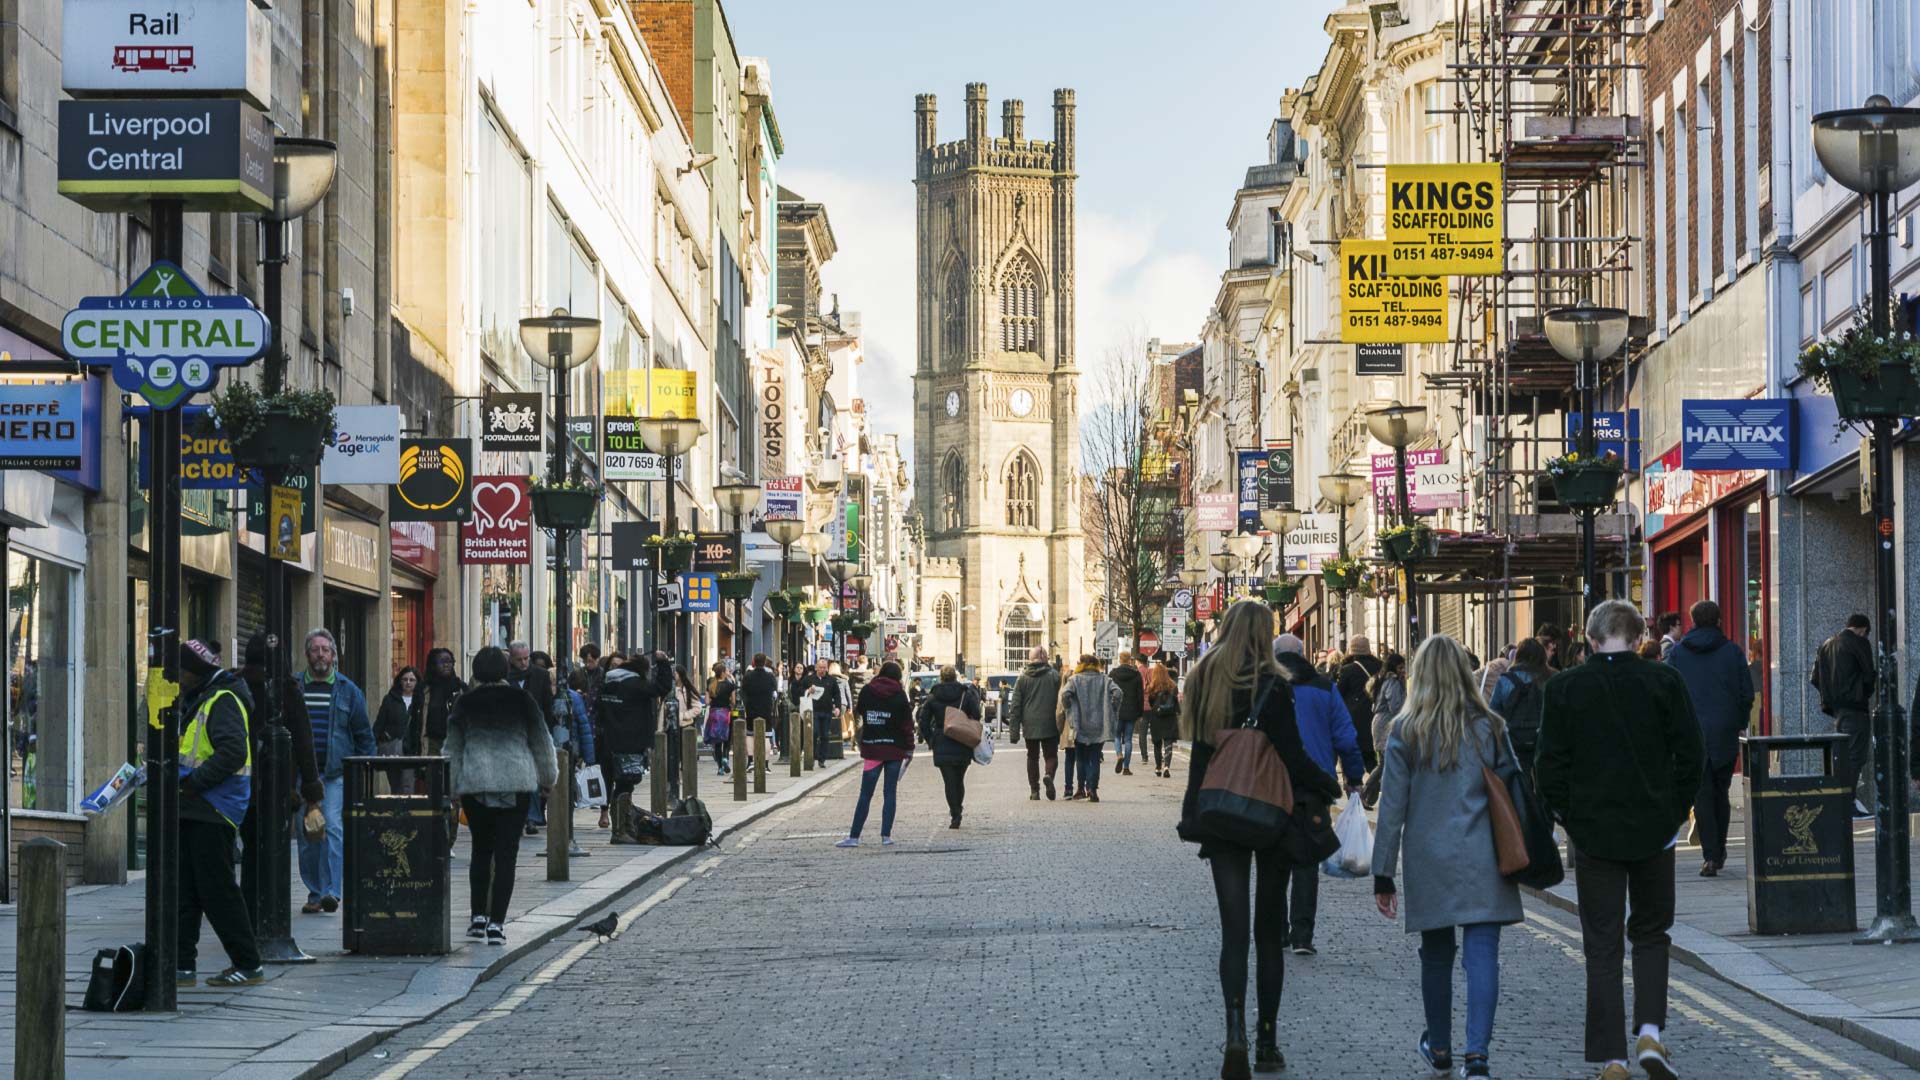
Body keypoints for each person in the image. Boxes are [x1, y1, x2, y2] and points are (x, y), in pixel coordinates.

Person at [1535, 600, 1702, 1080]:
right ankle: (1650, 1031)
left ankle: (1612, 1059)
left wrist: (1570, 817)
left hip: (1595, 836)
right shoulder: (1664, 681)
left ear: (1589, 640)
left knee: (1602, 946)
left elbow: (1548, 767)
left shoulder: (1565, 687)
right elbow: (1691, 754)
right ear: (1637, 637)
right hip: (1654, 831)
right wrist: (1672, 813)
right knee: (1651, 934)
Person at [1177, 601, 1340, 1077]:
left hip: (1222, 814)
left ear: (1226, 630)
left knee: (1234, 933)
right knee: (1269, 934)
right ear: (1266, 635)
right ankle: (1267, 1041)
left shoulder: (1206, 680)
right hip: (1270, 815)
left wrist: (1193, 813)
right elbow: (1291, 757)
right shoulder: (1274, 686)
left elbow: (1200, 757)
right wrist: (1330, 785)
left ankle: (1234, 1034)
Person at [1371, 633, 1523, 1080]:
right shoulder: (1490, 726)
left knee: (1436, 955)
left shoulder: (1405, 730)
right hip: (1486, 855)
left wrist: (1383, 873)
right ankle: (1477, 1056)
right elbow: (1513, 788)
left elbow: (1392, 809)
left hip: (1429, 858)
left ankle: (1439, 1047)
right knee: (1482, 957)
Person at [443, 645, 558, 945]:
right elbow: (541, 740)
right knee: (507, 854)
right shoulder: (522, 700)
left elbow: (452, 747)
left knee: (480, 851)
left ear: (476, 671)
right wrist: (548, 778)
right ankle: (497, 924)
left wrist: (451, 786)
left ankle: (477, 918)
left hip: (476, 783)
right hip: (515, 782)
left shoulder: (465, 703)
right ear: (505, 670)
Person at [175, 639, 266, 987]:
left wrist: (193, 783)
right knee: (186, 891)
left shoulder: (223, 699)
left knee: (218, 891)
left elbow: (231, 753)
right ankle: (182, 966)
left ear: (192, 671)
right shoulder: (202, 696)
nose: (176, 678)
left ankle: (248, 963)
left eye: (180, 672)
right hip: (195, 807)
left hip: (215, 808)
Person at [1273, 633, 1365, 957]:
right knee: (1306, 857)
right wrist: (1354, 776)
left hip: (1269, 785)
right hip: (1313, 786)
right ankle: (1301, 935)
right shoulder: (1324, 688)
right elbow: (1345, 735)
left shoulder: (1262, 686)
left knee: (1273, 858)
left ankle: (1275, 932)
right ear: (1303, 654)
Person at [235, 632, 323, 924]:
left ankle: (249, 907)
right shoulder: (287, 690)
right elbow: (304, 740)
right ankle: (271, 910)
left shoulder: (237, 685)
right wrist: (312, 789)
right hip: (277, 786)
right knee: (274, 848)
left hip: (241, 784)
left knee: (250, 850)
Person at [1666, 600, 1754, 877]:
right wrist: (1739, 722)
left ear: (1692, 622)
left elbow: (1669, 693)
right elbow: (1746, 693)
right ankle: (1719, 849)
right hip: (1724, 731)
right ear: (1718, 621)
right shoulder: (1733, 652)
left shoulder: (1678, 654)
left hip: (1691, 733)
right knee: (1720, 792)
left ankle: (1710, 855)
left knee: (1701, 794)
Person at [295, 628, 375, 915]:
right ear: (307, 654)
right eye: (315, 649)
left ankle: (331, 892)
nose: (320, 655)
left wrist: (365, 772)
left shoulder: (347, 690)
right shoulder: (294, 688)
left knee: (331, 829)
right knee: (306, 835)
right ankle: (315, 892)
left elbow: (364, 735)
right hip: (301, 776)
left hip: (333, 775)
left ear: (333, 655)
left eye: (325, 650)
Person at [835, 660, 915, 847]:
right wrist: (909, 748)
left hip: (873, 747)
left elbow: (860, 710)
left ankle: (854, 837)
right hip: (895, 748)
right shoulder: (900, 694)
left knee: (865, 794)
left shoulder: (868, 690)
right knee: (890, 793)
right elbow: (906, 724)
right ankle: (886, 836)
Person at [594, 651, 674, 829]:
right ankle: (621, 827)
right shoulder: (635, 684)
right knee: (626, 784)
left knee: (613, 780)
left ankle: (619, 823)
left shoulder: (608, 683)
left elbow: (598, 709)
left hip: (608, 740)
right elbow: (662, 687)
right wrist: (663, 663)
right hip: (629, 742)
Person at [1812, 613, 1876, 817]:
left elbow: (1815, 678)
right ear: (1863, 629)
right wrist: (1863, 692)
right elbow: (1868, 675)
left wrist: (1831, 697)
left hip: (1837, 711)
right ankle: (1847, 803)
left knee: (1842, 756)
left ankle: (1841, 801)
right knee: (1856, 756)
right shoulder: (1860, 643)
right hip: (1855, 709)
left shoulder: (1826, 645)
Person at [918, 665, 981, 828]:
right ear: (955, 677)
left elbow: (923, 721)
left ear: (941, 677)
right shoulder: (965, 694)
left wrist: (931, 739)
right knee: (959, 779)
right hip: (963, 741)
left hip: (942, 740)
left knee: (949, 781)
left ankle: (955, 812)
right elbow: (977, 714)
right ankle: (958, 808)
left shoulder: (933, 696)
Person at [1060, 654, 1120, 803]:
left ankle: (1081, 788)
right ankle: (1093, 789)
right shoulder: (1105, 679)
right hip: (1099, 724)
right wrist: (1112, 707)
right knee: (1095, 757)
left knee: (1081, 757)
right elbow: (1118, 693)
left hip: (1079, 723)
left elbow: (1065, 695)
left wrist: (1069, 708)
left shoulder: (1075, 680)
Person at [1488, 639, 1551, 776]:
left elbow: (1493, 714)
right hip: (1541, 742)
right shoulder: (1548, 681)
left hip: (1512, 742)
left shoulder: (1505, 680)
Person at [405, 647, 466, 790]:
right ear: (433, 664)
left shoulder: (461, 688)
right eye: (442, 661)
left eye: (450, 661)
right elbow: (415, 721)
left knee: (453, 785)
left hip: (454, 742)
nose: (447, 665)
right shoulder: (423, 689)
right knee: (433, 784)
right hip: (430, 743)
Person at [1009, 645, 1064, 800]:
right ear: (1044, 658)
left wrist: (1014, 733)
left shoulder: (1022, 678)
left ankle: (1034, 790)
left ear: (1030, 659)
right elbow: (1062, 699)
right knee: (1051, 756)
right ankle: (1048, 775)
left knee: (1032, 757)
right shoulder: (1054, 676)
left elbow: (1015, 706)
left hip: (1030, 724)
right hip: (1050, 722)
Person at [1361, 652, 1407, 806]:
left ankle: (1368, 799)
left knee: (1385, 763)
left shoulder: (1385, 680)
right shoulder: (1392, 682)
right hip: (1386, 724)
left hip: (1382, 723)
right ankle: (1365, 795)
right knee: (1385, 763)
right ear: (1394, 667)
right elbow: (1396, 706)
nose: (1402, 670)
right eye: (1400, 667)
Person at [1335, 636, 1384, 771]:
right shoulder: (1380, 666)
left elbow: (1339, 693)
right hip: (1376, 713)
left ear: (1351, 650)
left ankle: (1358, 786)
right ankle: (1374, 783)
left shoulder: (1348, 669)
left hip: (1354, 717)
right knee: (1371, 754)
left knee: (1356, 754)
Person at [375, 667, 417, 790]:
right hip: (393, 748)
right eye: (405, 679)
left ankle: (405, 809)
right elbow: (379, 723)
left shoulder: (420, 700)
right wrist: (382, 737)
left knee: (407, 785)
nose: (408, 682)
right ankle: (397, 809)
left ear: (417, 682)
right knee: (395, 784)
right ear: (400, 681)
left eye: (412, 680)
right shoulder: (390, 699)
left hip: (411, 750)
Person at [1109, 650, 1145, 776]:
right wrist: (1140, 712)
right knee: (1128, 739)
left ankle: (1119, 754)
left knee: (1117, 736)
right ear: (1130, 660)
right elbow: (1140, 695)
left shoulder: (1113, 674)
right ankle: (1126, 767)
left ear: (1120, 660)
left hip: (1117, 710)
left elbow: (1109, 693)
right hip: (1131, 710)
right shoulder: (1136, 674)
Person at [1144, 658, 1181, 778]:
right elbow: (1176, 702)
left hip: (1157, 718)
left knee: (1157, 744)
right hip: (1170, 718)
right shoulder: (1173, 686)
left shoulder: (1152, 687)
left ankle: (1158, 767)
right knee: (1168, 742)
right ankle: (1167, 766)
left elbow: (1150, 702)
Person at [741, 653, 780, 758]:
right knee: (766, 736)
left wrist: (746, 704)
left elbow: (742, 692)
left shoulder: (748, 676)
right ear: (764, 662)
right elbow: (775, 694)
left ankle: (750, 761)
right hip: (766, 709)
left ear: (754, 661)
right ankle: (766, 763)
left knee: (750, 735)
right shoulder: (770, 677)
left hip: (751, 709)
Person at [705, 661, 737, 776]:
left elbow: (707, 701)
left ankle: (720, 768)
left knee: (717, 742)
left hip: (714, 714)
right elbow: (733, 701)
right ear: (723, 673)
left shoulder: (710, 682)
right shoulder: (730, 685)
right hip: (726, 714)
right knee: (727, 739)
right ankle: (725, 758)